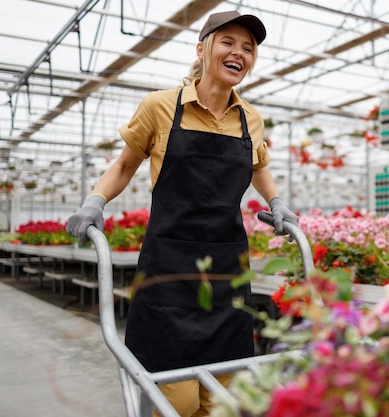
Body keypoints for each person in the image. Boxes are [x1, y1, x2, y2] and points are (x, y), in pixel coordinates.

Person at [66, 10, 298, 417]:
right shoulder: (160, 106)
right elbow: (124, 165)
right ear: (202, 48)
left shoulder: (250, 118)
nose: (238, 53)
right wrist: (94, 201)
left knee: (225, 398)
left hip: (227, 269)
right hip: (169, 270)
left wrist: (276, 202)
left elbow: (259, 165)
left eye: (248, 47)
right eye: (228, 42)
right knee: (178, 401)